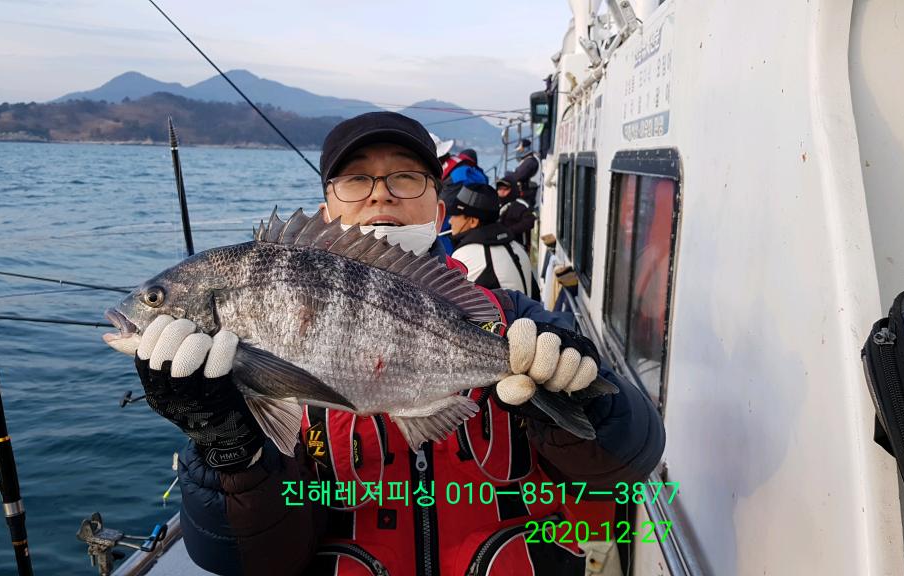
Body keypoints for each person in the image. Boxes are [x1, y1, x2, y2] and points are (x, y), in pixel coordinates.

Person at [128, 112, 664, 576]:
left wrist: (580, 397)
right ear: (326, 212)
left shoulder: (515, 320)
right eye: (355, 179)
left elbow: (632, 460)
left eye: (405, 177)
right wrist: (227, 449)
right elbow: (248, 560)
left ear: (438, 210)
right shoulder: (231, 372)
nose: (380, 192)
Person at [449, 183, 532, 294]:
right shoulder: (518, 248)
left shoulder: (465, 255)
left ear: (473, 221)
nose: (450, 221)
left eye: (455, 215)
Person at [497, 176, 537, 251]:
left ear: (513, 189)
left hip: (518, 247)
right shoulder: (496, 206)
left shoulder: (519, 205)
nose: (502, 191)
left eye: (505, 189)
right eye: (499, 189)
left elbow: (530, 220)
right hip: (500, 246)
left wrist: (508, 231)